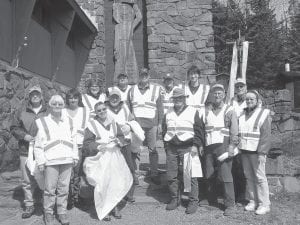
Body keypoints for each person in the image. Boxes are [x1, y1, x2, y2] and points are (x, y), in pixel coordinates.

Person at [82, 102, 133, 221]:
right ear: (96, 112)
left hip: (115, 156)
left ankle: (114, 206)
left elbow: (121, 137)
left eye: (104, 109)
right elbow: (87, 143)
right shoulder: (91, 125)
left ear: (107, 109)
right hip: (100, 157)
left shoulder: (114, 122)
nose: (102, 112)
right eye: (99, 110)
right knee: (103, 183)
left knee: (115, 181)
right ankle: (105, 209)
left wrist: (118, 141)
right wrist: (98, 146)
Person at [34, 95, 78, 225]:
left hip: (67, 160)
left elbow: (74, 140)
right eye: (54, 104)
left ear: (63, 105)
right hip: (50, 160)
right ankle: (48, 213)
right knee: (49, 189)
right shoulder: (42, 121)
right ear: (50, 105)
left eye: (60, 104)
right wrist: (41, 162)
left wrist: (75, 156)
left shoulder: (69, 121)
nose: (57, 106)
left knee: (64, 188)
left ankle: (62, 212)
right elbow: (37, 145)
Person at [162, 88, 205, 214]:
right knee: (171, 175)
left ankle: (193, 201)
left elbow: (199, 130)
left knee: (190, 176)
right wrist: (166, 145)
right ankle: (175, 199)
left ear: (184, 98)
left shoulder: (193, 111)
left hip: (188, 147)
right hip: (171, 147)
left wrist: (196, 145)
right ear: (173, 100)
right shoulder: (168, 112)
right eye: (176, 98)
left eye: (180, 98)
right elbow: (164, 129)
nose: (178, 100)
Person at [10, 85, 47, 219]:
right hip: (26, 150)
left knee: (45, 178)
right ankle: (29, 205)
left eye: (37, 94)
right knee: (26, 180)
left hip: (44, 151)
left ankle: (45, 204)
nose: (35, 96)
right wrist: (24, 136)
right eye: (32, 94)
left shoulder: (48, 111)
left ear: (41, 95)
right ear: (29, 96)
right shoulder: (21, 110)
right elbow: (14, 127)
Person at [203, 84, 239, 216]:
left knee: (226, 175)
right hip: (209, 145)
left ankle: (230, 204)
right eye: (215, 93)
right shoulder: (207, 110)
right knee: (209, 173)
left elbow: (234, 130)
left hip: (223, 146)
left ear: (224, 94)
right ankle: (211, 198)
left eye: (219, 93)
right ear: (212, 95)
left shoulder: (229, 110)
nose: (217, 95)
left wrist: (231, 146)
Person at [128, 68, 164, 185]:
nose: (144, 77)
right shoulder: (132, 90)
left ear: (149, 76)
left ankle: (154, 174)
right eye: (142, 75)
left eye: (146, 75)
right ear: (139, 76)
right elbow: (128, 107)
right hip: (137, 125)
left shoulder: (156, 89)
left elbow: (160, 107)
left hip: (152, 124)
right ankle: (135, 175)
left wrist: (159, 123)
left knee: (153, 150)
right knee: (135, 150)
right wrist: (130, 122)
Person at [239, 90, 271, 215]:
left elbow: (266, 135)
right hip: (245, 151)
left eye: (252, 99)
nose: (249, 101)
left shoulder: (263, 113)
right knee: (249, 177)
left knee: (260, 178)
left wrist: (262, 153)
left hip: (257, 152)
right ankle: (253, 201)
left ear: (257, 100)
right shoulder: (242, 114)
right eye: (247, 99)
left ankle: (265, 204)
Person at [106, 89, 138, 200]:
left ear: (120, 99)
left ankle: (129, 194)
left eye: (116, 97)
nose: (114, 99)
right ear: (108, 98)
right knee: (114, 169)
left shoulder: (124, 107)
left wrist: (129, 126)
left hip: (126, 142)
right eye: (112, 97)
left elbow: (132, 120)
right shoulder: (105, 108)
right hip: (112, 143)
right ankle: (116, 194)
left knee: (129, 167)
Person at [63, 88, 89, 209]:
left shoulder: (85, 111)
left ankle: (77, 197)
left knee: (78, 173)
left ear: (79, 99)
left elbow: (90, 128)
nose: (72, 100)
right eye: (70, 97)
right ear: (67, 99)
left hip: (79, 146)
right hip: (65, 146)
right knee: (67, 173)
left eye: (75, 97)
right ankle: (68, 197)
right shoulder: (62, 111)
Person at [113, 0, 142, 83]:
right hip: (120, 46)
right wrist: (116, 50)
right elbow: (116, 39)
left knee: (131, 62)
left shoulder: (131, 24)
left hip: (129, 45)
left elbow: (139, 17)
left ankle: (133, 80)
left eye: (127, 13)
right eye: (122, 13)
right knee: (119, 64)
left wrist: (134, 5)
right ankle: (118, 81)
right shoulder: (118, 26)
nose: (124, 14)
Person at [230, 78, 247, 203]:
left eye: (241, 86)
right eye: (237, 87)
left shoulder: (251, 99)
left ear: (246, 87)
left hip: (247, 136)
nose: (239, 88)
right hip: (235, 136)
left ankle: (247, 193)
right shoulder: (232, 101)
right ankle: (237, 193)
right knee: (235, 165)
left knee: (246, 165)